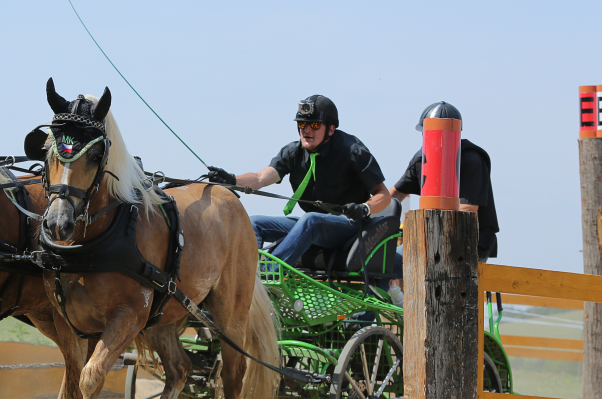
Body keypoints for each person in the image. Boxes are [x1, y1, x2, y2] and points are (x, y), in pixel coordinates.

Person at [207, 95, 391, 267]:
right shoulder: (293, 152)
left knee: (311, 220)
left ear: (331, 129)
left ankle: (269, 274)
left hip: (349, 224)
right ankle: (249, 278)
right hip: (310, 224)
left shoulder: (353, 151)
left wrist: (365, 208)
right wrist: (231, 179)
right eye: (302, 124)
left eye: (315, 125)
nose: (307, 130)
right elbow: (260, 178)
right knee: (255, 223)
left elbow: (383, 194)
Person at [389, 101, 500, 278]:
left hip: (470, 245)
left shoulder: (471, 159)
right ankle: (385, 303)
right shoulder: (421, 160)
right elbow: (394, 195)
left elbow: (467, 211)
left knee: (455, 291)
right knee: (380, 262)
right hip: (429, 240)